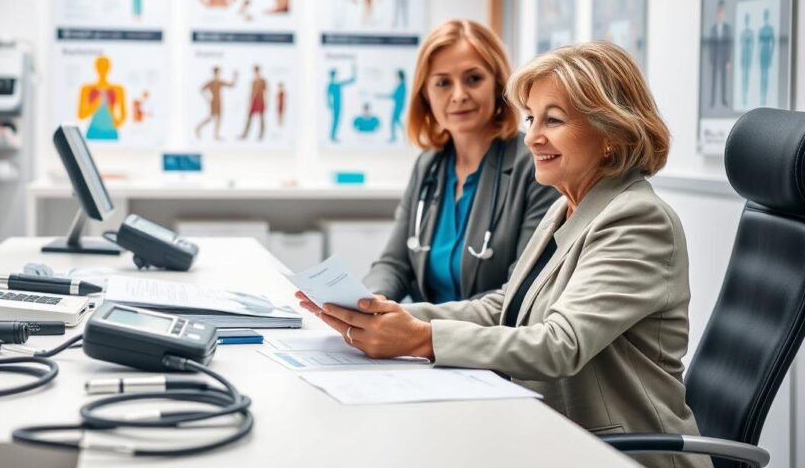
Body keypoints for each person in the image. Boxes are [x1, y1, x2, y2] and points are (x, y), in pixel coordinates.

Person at [302, 42, 708, 468]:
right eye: (532, 118)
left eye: (553, 119)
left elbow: (559, 344)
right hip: (559, 435)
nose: (531, 136)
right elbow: (507, 306)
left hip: (624, 453)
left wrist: (422, 339)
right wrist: (395, 317)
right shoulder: (566, 206)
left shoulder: (637, 219)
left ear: (610, 132)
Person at [361, 19, 558, 303]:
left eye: (473, 79)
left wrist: (412, 324)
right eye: (442, 82)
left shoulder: (534, 164)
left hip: (485, 342)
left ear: (499, 85)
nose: (458, 95)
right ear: (425, 95)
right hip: (416, 341)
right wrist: (371, 300)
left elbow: (521, 293)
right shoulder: (428, 166)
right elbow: (394, 264)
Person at [77, 56, 126, 141]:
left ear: (109, 68)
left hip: (111, 131)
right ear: (96, 68)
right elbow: (81, 115)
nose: (102, 70)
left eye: (105, 67)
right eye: (100, 66)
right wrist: (96, 104)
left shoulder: (118, 89)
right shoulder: (86, 88)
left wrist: (112, 115)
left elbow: (122, 117)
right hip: (94, 131)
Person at [195, 66, 237, 140]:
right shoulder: (211, 82)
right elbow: (201, 89)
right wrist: (207, 98)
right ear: (215, 73)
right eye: (218, 72)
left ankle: (216, 135)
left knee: (219, 118)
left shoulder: (220, 81)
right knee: (211, 117)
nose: (219, 74)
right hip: (214, 101)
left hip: (219, 101)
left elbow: (231, 85)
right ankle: (198, 128)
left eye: (219, 72)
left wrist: (235, 77)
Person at [709, 0, 732, 108]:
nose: (720, 15)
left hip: (723, 58)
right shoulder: (713, 28)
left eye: (722, 12)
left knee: (723, 80)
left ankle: (723, 100)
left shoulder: (727, 28)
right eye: (719, 12)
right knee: (714, 80)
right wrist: (710, 59)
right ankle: (712, 100)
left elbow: (728, 46)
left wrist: (728, 60)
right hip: (715, 58)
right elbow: (710, 46)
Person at [239, 65, 268, 140]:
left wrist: (266, 102)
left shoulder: (263, 81)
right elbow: (251, 92)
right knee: (249, 117)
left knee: (261, 117)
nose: (255, 73)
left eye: (256, 71)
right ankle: (245, 134)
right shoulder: (253, 81)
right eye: (254, 72)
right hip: (253, 101)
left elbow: (266, 92)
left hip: (260, 100)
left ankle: (261, 135)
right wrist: (249, 101)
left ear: (259, 71)